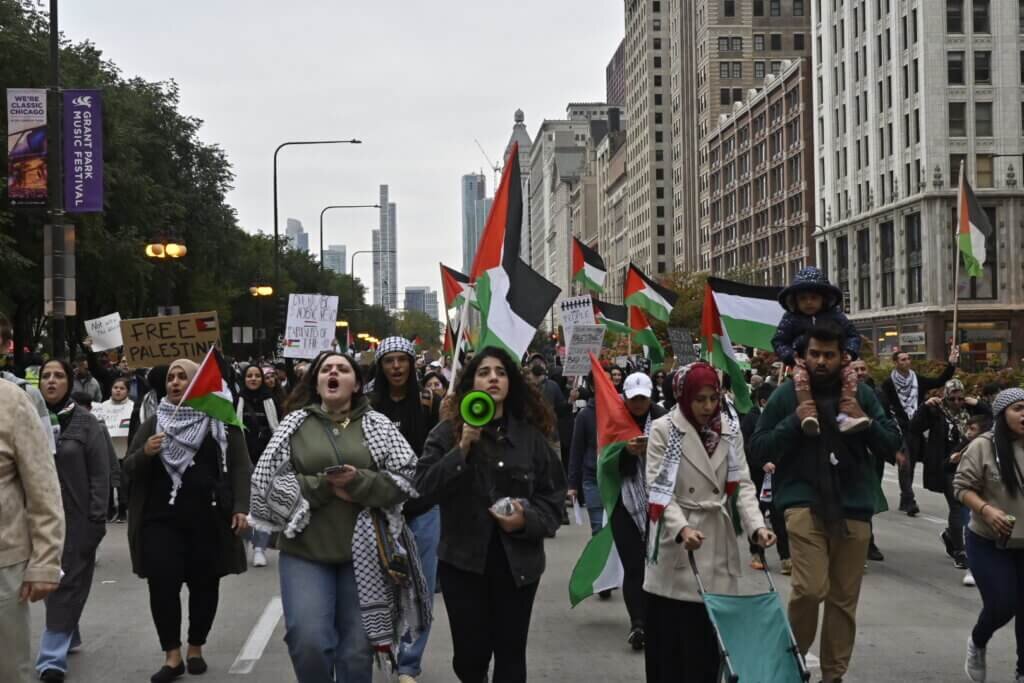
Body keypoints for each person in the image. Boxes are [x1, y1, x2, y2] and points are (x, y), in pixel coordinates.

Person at [249, 351, 429, 683]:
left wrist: (359, 483)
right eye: (326, 369)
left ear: (356, 383)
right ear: (316, 382)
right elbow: (265, 483)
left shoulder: (378, 425)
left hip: (364, 556)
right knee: (309, 642)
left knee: (358, 650)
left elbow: (407, 477)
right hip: (306, 550)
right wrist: (324, 486)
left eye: (342, 369)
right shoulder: (295, 424)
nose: (333, 373)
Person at [750, 322, 900, 683]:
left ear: (842, 357)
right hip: (802, 502)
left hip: (853, 505)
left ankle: (833, 675)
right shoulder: (788, 395)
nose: (820, 361)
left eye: (828, 355)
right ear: (803, 356)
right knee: (810, 588)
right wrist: (793, 423)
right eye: (814, 354)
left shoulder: (860, 394)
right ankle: (789, 662)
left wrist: (865, 425)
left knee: (843, 599)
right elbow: (757, 448)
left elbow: (892, 444)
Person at [416, 347, 566, 683]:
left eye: (500, 372)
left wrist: (525, 518)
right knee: (471, 658)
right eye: (484, 372)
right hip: (463, 564)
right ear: (471, 383)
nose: (493, 378)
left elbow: (553, 500)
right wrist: (462, 449)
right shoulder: (446, 433)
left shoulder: (530, 437)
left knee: (511, 657)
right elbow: (420, 492)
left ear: (510, 383)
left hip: (517, 567)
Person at [643, 362, 775, 683]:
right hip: (677, 550)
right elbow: (660, 490)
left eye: (712, 398)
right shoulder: (665, 430)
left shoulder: (728, 430)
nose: (707, 406)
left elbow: (742, 484)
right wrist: (682, 528)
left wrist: (757, 526)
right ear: (684, 396)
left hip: (717, 547)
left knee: (708, 653)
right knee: (671, 654)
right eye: (699, 399)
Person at [124, 358, 251, 683]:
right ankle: (172, 655)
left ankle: (195, 647)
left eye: (183, 377)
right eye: (171, 378)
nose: (176, 382)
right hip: (159, 520)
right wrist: (146, 454)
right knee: (162, 584)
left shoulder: (220, 419)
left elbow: (239, 466)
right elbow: (126, 469)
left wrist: (240, 507)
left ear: (197, 383)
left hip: (207, 519)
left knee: (204, 584)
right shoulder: (153, 423)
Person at [369, 337, 441, 683]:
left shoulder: (431, 403)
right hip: (379, 513)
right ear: (380, 367)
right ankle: (386, 650)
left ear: (412, 366)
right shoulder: (367, 407)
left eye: (402, 360)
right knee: (380, 587)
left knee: (420, 588)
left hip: (423, 510)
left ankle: (410, 663)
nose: (396, 366)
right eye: (389, 361)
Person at [35, 359, 112, 683]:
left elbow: (101, 472)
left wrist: (97, 515)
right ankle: (70, 631)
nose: (51, 381)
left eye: (58, 376)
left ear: (70, 383)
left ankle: (51, 657)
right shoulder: (30, 420)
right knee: (48, 582)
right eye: (46, 376)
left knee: (65, 582)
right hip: (38, 517)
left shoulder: (86, 423)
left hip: (78, 517)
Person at [954, 388, 1024, 683]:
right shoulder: (983, 446)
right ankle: (978, 642)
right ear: (1001, 414)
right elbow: (961, 487)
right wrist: (986, 510)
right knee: (1003, 604)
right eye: (1019, 408)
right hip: (989, 542)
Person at [0, 380, 65, 683]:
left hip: (5, 563)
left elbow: (43, 487)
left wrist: (45, 562)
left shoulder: (12, 401)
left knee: (9, 670)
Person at [607, 373, 667, 649]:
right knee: (634, 567)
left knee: (658, 565)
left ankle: (658, 621)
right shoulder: (613, 419)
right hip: (625, 502)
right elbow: (604, 462)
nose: (639, 404)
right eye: (634, 399)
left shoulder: (665, 420)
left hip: (659, 501)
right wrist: (625, 453)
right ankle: (638, 625)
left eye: (644, 398)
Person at [772, 266, 867, 436]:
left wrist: (849, 354)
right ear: (795, 300)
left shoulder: (836, 315)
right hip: (802, 364)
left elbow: (853, 335)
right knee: (800, 378)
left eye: (813, 298)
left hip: (836, 366)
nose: (809, 302)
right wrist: (791, 357)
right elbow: (778, 341)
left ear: (823, 299)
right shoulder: (790, 318)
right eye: (803, 298)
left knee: (851, 376)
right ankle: (809, 416)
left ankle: (846, 416)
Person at [911, 379, 990, 574]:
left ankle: (950, 535)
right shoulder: (935, 411)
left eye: (960, 398)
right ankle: (960, 551)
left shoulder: (970, 412)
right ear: (945, 397)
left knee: (972, 509)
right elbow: (914, 427)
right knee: (958, 507)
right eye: (952, 398)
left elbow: (992, 418)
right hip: (947, 466)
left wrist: (976, 403)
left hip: (972, 464)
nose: (956, 402)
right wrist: (924, 407)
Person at [881, 347, 958, 516]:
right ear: (895, 363)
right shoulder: (888, 384)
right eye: (903, 359)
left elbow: (939, 381)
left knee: (913, 463)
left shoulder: (917, 380)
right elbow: (885, 407)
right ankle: (909, 500)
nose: (907, 362)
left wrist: (951, 364)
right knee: (905, 465)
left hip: (916, 428)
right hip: (900, 428)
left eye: (908, 358)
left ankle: (904, 497)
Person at [234, 365, 280, 568]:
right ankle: (245, 542)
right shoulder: (237, 400)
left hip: (266, 459)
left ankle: (260, 547)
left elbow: (279, 428)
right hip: (242, 459)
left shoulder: (272, 400)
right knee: (244, 504)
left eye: (257, 376)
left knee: (262, 505)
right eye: (249, 376)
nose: (253, 379)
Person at [743, 383, 791, 574]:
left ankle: (786, 556)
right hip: (756, 477)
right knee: (758, 515)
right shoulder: (751, 419)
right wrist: (761, 462)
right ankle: (757, 553)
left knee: (779, 516)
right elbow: (747, 447)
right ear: (764, 401)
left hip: (777, 476)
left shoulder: (780, 419)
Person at [850, 358, 890, 562]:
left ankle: (867, 540)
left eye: (862, 368)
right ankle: (864, 541)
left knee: (870, 494)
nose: (859, 372)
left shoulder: (877, 394)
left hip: (873, 453)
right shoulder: (842, 392)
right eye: (855, 369)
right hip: (851, 453)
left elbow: (886, 423)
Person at [958, 413, 992, 589]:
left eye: (973, 429)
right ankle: (972, 568)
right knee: (969, 525)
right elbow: (961, 485)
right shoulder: (976, 446)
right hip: (977, 498)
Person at [97, 377, 135, 522]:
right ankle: (109, 509)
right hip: (107, 449)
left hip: (124, 450)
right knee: (107, 480)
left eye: (122, 388)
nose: (118, 390)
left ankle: (122, 510)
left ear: (127, 391)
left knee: (122, 482)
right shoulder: (102, 406)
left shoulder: (132, 406)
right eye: (115, 388)